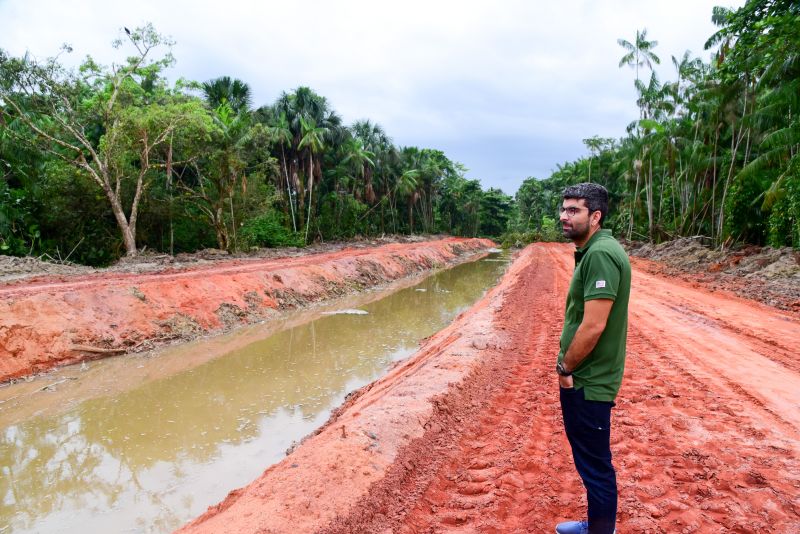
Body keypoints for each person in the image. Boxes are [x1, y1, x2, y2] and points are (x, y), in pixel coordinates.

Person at [554, 183, 631, 534]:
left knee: (596, 465)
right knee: (590, 462)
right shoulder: (594, 250)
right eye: (564, 209)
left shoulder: (600, 254)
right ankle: (596, 525)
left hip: (589, 381)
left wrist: (565, 368)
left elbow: (594, 324)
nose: (564, 216)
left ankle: (601, 531)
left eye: (574, 211)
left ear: (595, 216)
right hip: (587, 379)